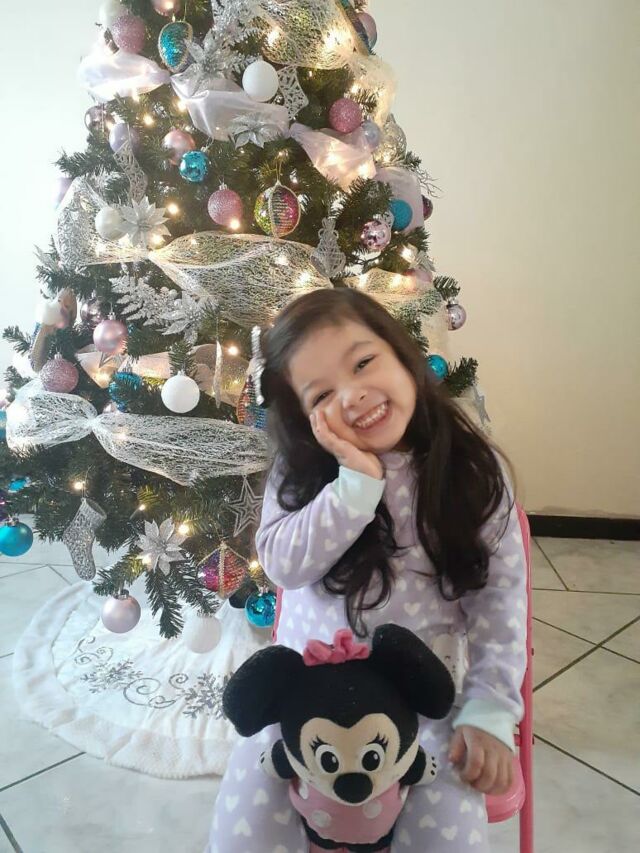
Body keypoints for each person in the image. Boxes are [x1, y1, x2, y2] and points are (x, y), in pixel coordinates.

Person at [208, 288, 526, 852]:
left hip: (422, 706)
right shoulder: (300, 471)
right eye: (322, 394)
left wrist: (490, 709)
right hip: (303, 706)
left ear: (400, 352)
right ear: (303, 418)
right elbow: (282, 565)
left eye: (363, 363)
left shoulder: (471, 470)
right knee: (244, 830)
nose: (352, 395)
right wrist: (355, 485)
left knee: (451, 836)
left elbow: (498, 600)